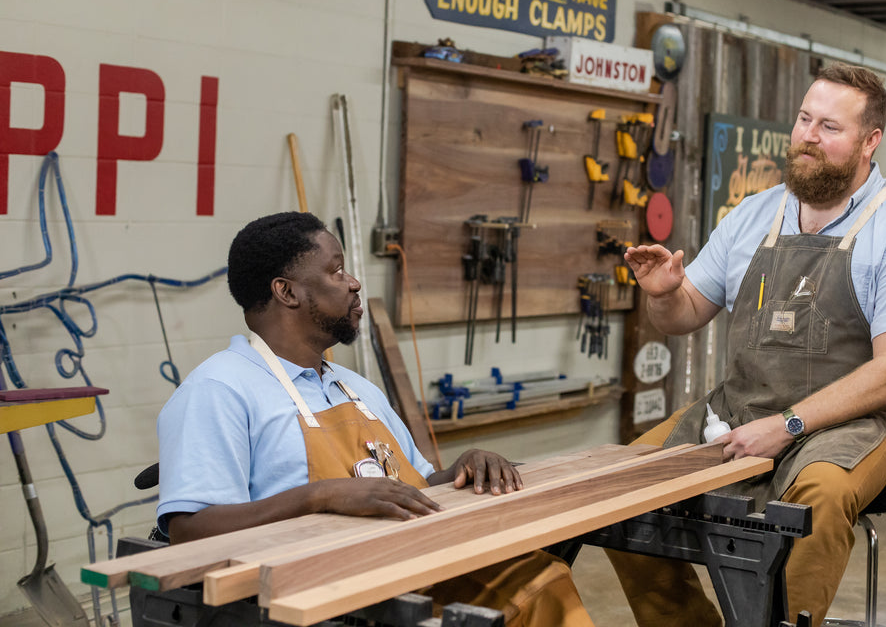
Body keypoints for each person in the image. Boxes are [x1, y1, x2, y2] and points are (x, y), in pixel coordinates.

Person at [610, 63, 886, 627]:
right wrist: (664, 296)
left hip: (860, 420)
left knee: (814, 499)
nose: (808, 137)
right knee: (623, 485)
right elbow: (684, 314)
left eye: (829, 127)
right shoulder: (752, 215)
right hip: (742, 409)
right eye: (803, 119)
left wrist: (789, 425)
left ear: (871, 142)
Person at [156, 211, 593, 627]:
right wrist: (318, 496)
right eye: (337, 271)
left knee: (539, 572)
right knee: (536, 591)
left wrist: (462, 470)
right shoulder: (220, 389)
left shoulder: (355, 388)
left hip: (406, 566)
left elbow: (411, 490)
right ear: (286, 292)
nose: (355, 282)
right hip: (324, 595)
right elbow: (189, 531)